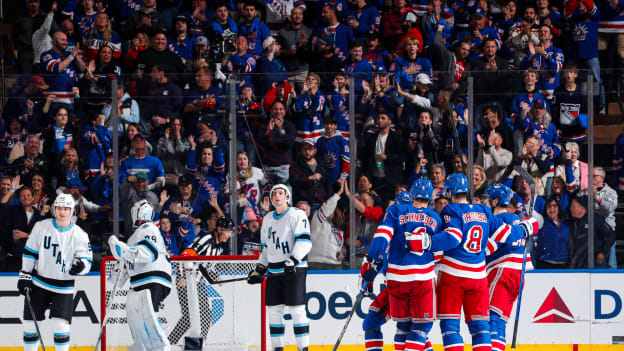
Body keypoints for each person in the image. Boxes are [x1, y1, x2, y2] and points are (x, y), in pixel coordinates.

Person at [428, 173, 538, 351]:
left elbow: (453, 238)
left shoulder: (450, 210)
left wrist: (428, 243)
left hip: (454, 276)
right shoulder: (485, 212)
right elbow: (506, 233)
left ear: (450, 192)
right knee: (481, 327)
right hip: (479, 278)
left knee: (450, 327)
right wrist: (528, 226)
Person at [362, 179, 441, 351]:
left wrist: (371, 263)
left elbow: (380, 246)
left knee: (409, 328)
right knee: (414, 328)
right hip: (414, 280)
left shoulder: (396, 215)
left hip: (399, 282)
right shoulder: (434, 218)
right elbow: (439, 250)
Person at [18, 194, 92, 351]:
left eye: (66, 208)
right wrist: (25, 274)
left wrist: (82, 267)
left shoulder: (80, 234)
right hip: (39, 282)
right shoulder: (41, 227)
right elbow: (29, 253)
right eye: (59, 208)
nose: (62, 212)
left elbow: (87, 260)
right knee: (31, 325)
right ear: (54, 209)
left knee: (61, 327)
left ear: (72, 210)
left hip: (64, 286)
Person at [247, 184, 311, 351]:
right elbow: (267, 249)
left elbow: (305, 242)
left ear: (287, 197)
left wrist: (293, 260)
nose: (277, 196)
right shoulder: (268, 219)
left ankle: (303, 348)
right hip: (274, 272)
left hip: (294, 271)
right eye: (274, 193)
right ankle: (278, 348)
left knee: (297, 311)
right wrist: (259, 269)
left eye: (281, 193)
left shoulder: (297, 215)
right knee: (274, 311)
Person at [108, 200, 172, 351]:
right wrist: (120, 270)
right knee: (138, 320)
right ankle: (141, 346)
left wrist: (123, 250)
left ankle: (160, 347)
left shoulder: (148, 228)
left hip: (153, 278)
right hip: (141, 282)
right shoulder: (136, 235)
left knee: (149, 317)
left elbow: (149, 253)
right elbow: (132, 259)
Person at [483, 184, 531, 351]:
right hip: (519, 275)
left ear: (496, 201)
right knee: (501, 323)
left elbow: (487, 249)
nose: (485, 203)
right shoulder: (518, 220)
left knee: (492, 320)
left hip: (502, 271)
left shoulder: (495, 221)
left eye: (487, 200)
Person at [305, 179, 346, 270]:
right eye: (325, 205)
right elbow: (328, 208)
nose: (329, 208)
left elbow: (339, 247)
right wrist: (339, 193)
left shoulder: (338, 228)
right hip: (316, 263)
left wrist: (342, 252)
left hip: (335, 264)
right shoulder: (317, 219)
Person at [567, 194, 615, 268]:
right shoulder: (574, 222)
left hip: (595, 262)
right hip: (580, 263)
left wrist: (603, 253)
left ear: (582, 208)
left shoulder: (595, 219)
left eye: (573, 207)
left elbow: (611, 235)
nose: (571, 209)